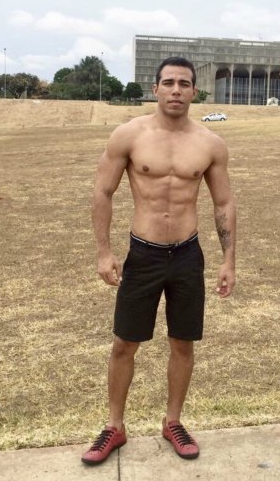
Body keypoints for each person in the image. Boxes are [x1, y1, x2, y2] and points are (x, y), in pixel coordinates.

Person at [82, 56, 236, 465]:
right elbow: (102, 192)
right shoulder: (129, 135)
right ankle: (114, 426)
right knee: (124, 343)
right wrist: (104, 252)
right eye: (168, 83)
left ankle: (173, 422)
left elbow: (223, 202)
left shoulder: (210, 144)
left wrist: (228, 260)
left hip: (187, 255)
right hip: (143, 253)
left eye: (184, 84)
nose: (176, 90)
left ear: (194, 91)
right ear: (155, 89)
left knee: (182, 343)